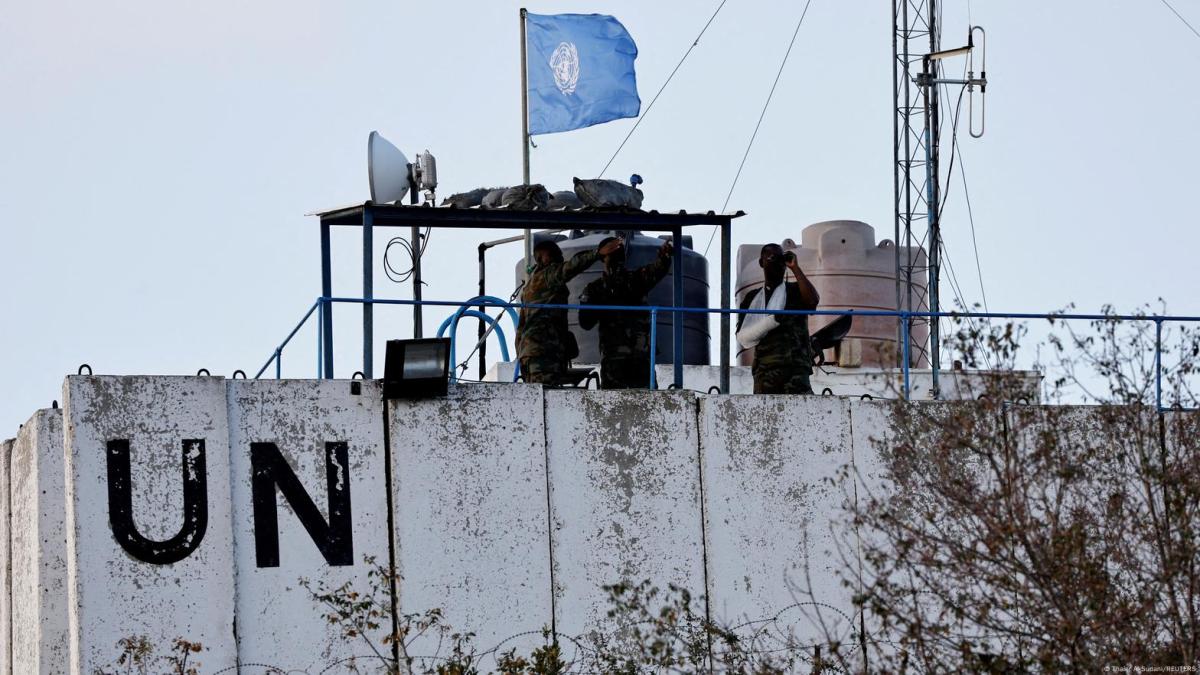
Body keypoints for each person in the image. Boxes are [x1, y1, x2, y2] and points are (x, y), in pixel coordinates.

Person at [516, 238, 623, 385]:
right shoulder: (547, 275)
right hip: (544, 353)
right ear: (540, 258)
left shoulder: (529, 287)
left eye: (559, 254)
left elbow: (520, 328)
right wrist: (597, 253)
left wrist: (521, 356)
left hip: (533, 355)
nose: (559, 257)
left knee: (540, 398)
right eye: (553, 254)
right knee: (547, 398)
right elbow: (571, 267)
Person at [578, 237, 673, 389]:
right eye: (613, 252)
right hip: (618, 357)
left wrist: (665, 256)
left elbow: (658, 269)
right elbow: (586, 322)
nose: (617, 257)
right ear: (603, 257)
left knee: (644, 404)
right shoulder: (597, 289)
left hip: (636, 357)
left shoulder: (634, 280)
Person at [736, 243, 820, 394]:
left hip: (796, 369)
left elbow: (813, 301)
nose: (778, 264)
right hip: (766, 370)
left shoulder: (795, 291)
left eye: (780, 259)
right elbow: (743, 337)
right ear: (762, 263)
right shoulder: (752, 298)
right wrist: (771, 321)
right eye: (772, 258)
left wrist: (795, 268)